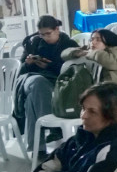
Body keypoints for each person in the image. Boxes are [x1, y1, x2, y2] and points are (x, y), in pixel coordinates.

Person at [14, 15, 78, 149]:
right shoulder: (35, 42)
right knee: (38, 82)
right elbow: (21, 70)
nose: (44, 37)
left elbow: (72, 70)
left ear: (57, 30)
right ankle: (53, 127)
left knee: (32, 99)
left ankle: (37, 148)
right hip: (31, 78)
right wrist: (29, 63)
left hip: (57, 81)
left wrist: (49, 66)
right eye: (41, 34)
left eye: (48, 33)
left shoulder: (68, 44)